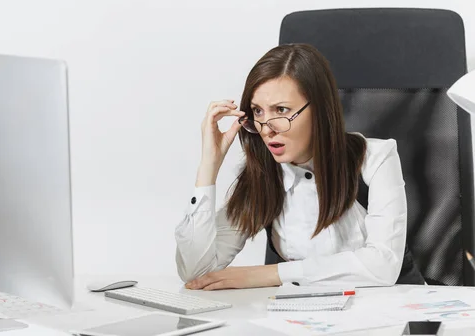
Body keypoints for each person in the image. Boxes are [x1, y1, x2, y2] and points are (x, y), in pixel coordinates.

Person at [175, 43, 424, 290]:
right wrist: (209, 165)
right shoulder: (263, 176)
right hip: (311, 319)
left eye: (281, 110)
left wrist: (271, 274)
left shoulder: (375, 158)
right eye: (258, 112)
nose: (266, 129)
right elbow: (197, 273)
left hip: (396, 312)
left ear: (319, 109)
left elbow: (383, 266)